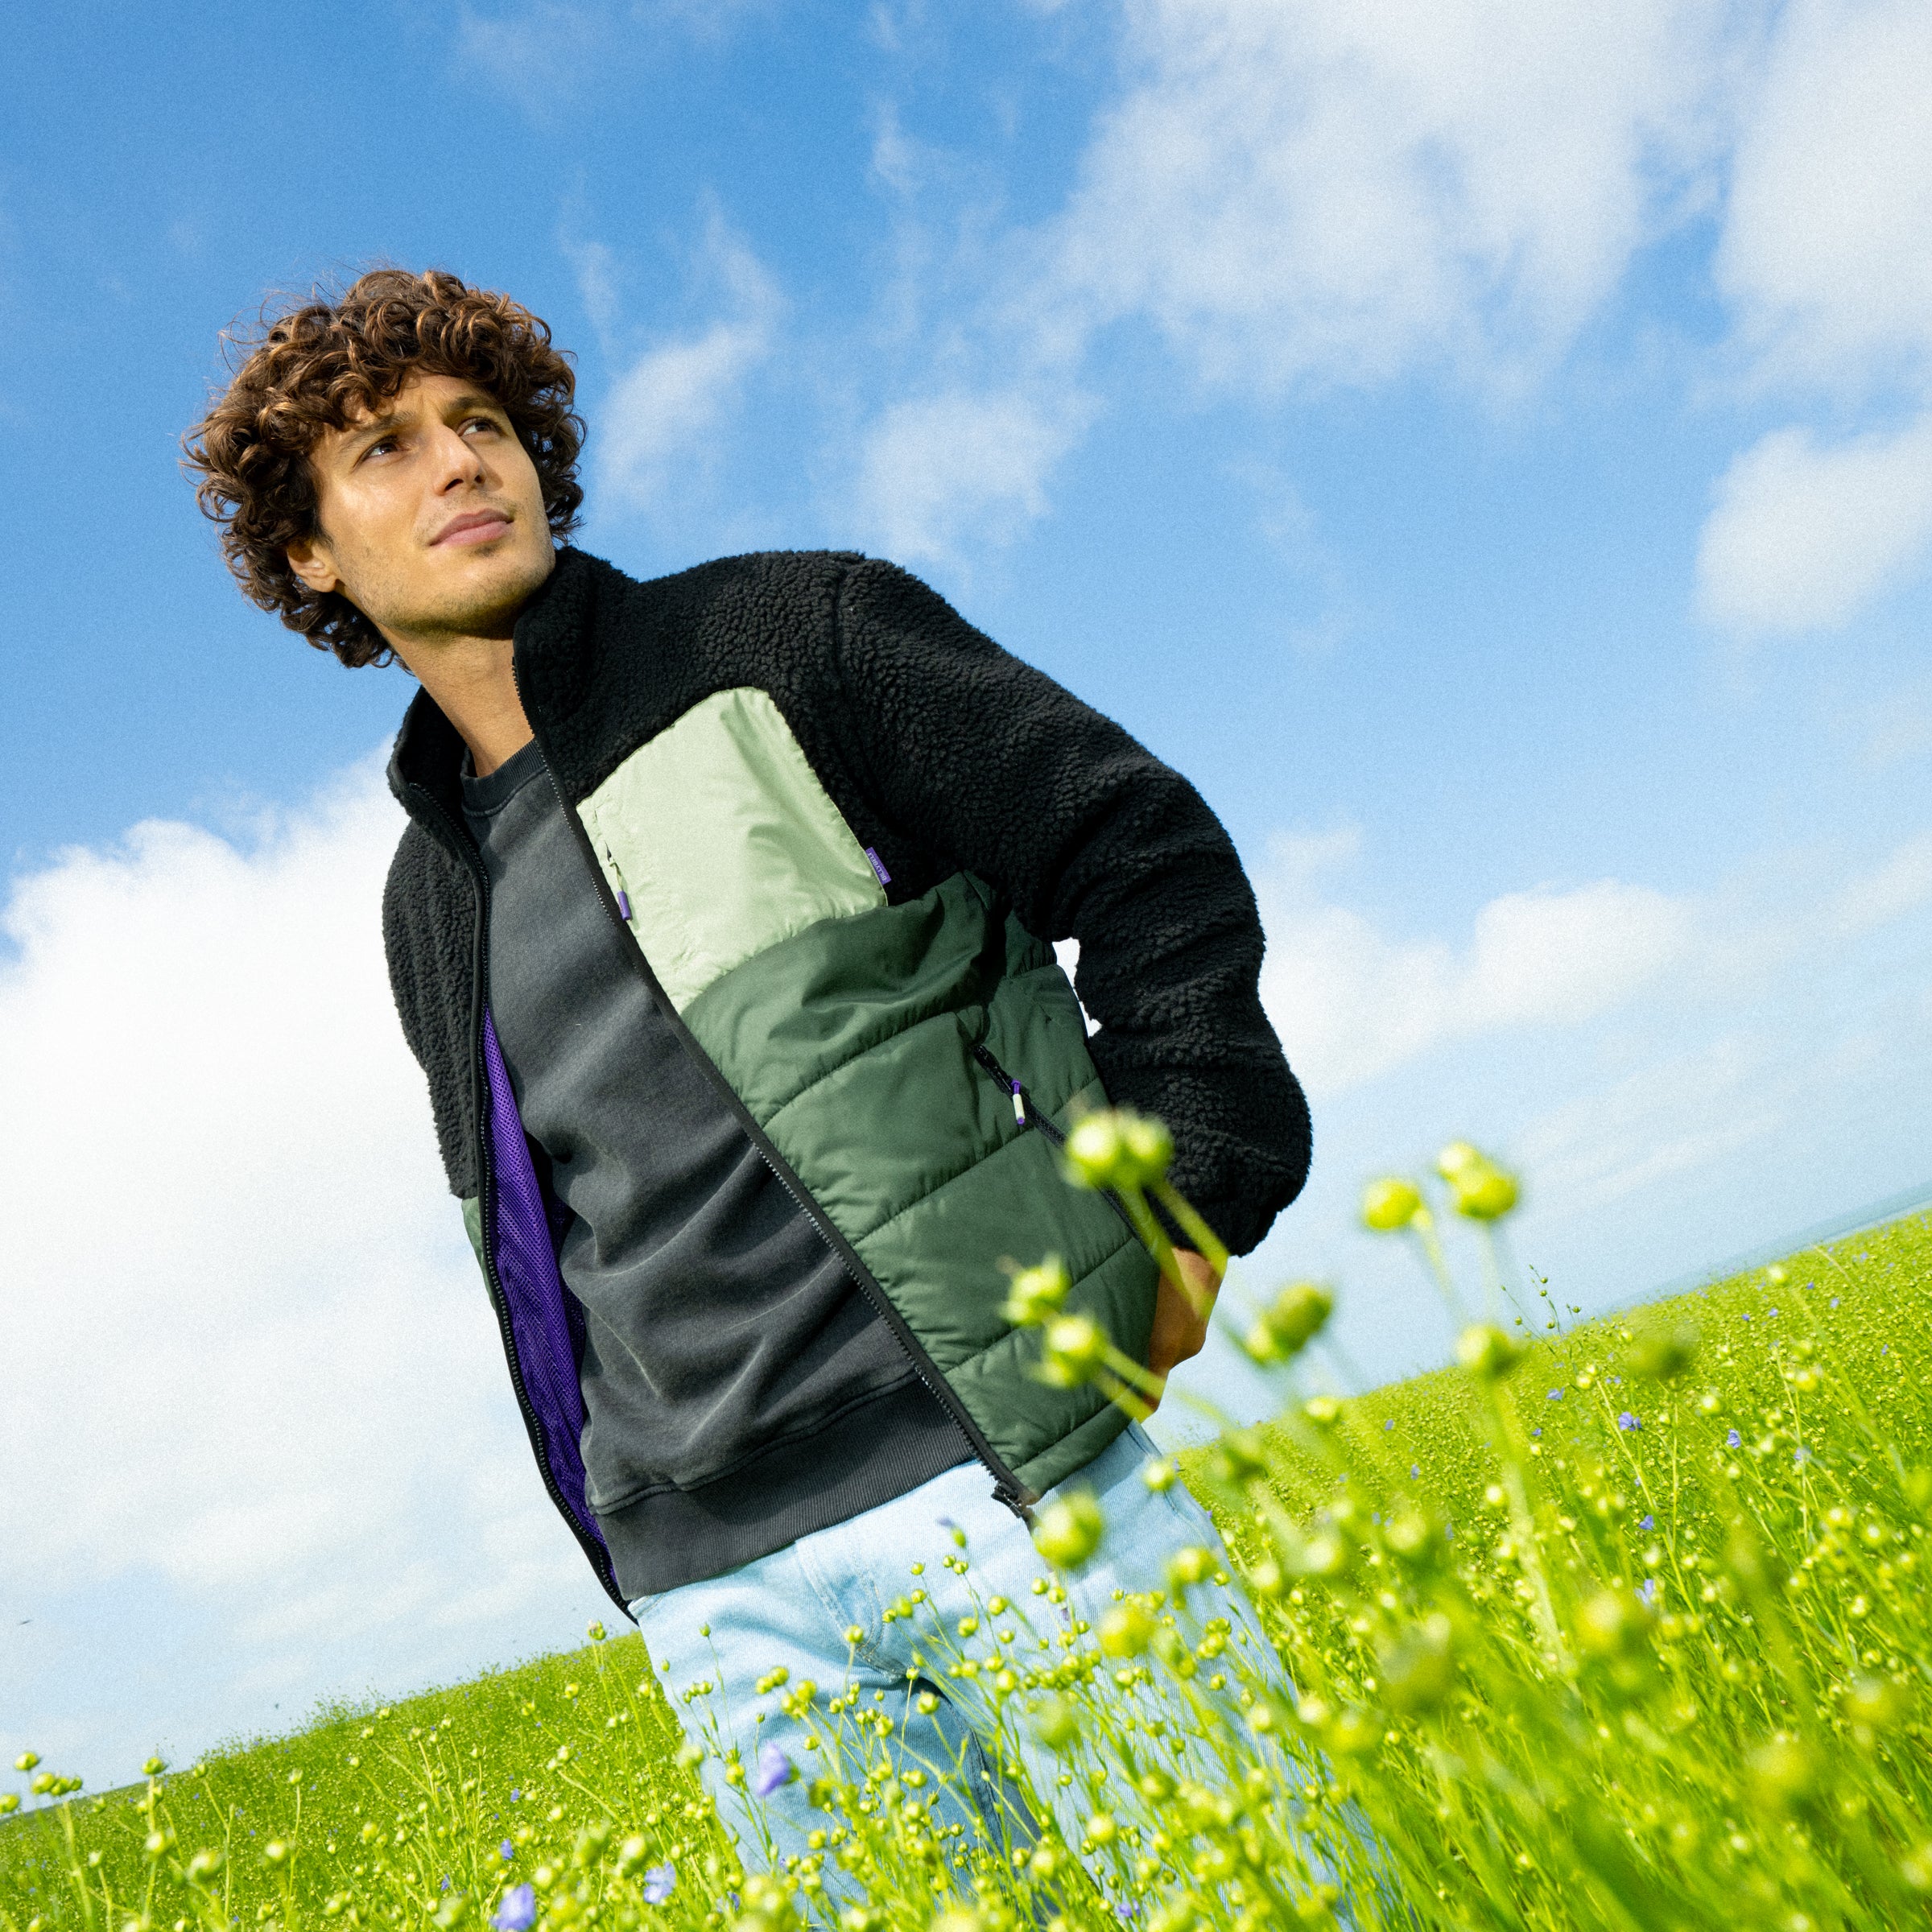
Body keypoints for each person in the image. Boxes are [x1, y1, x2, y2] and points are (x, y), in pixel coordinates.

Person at [185, 267, 1311, 1876]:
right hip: (722, 1604)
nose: (461, 463)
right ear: (309, 551)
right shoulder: (425, 900)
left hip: (1007, 1487)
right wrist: (635, 1543)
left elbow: (1141, 854)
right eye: (386, 447)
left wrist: (1188, 1207)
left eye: (482, 421)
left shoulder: (791, 634)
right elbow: (536, 1245)